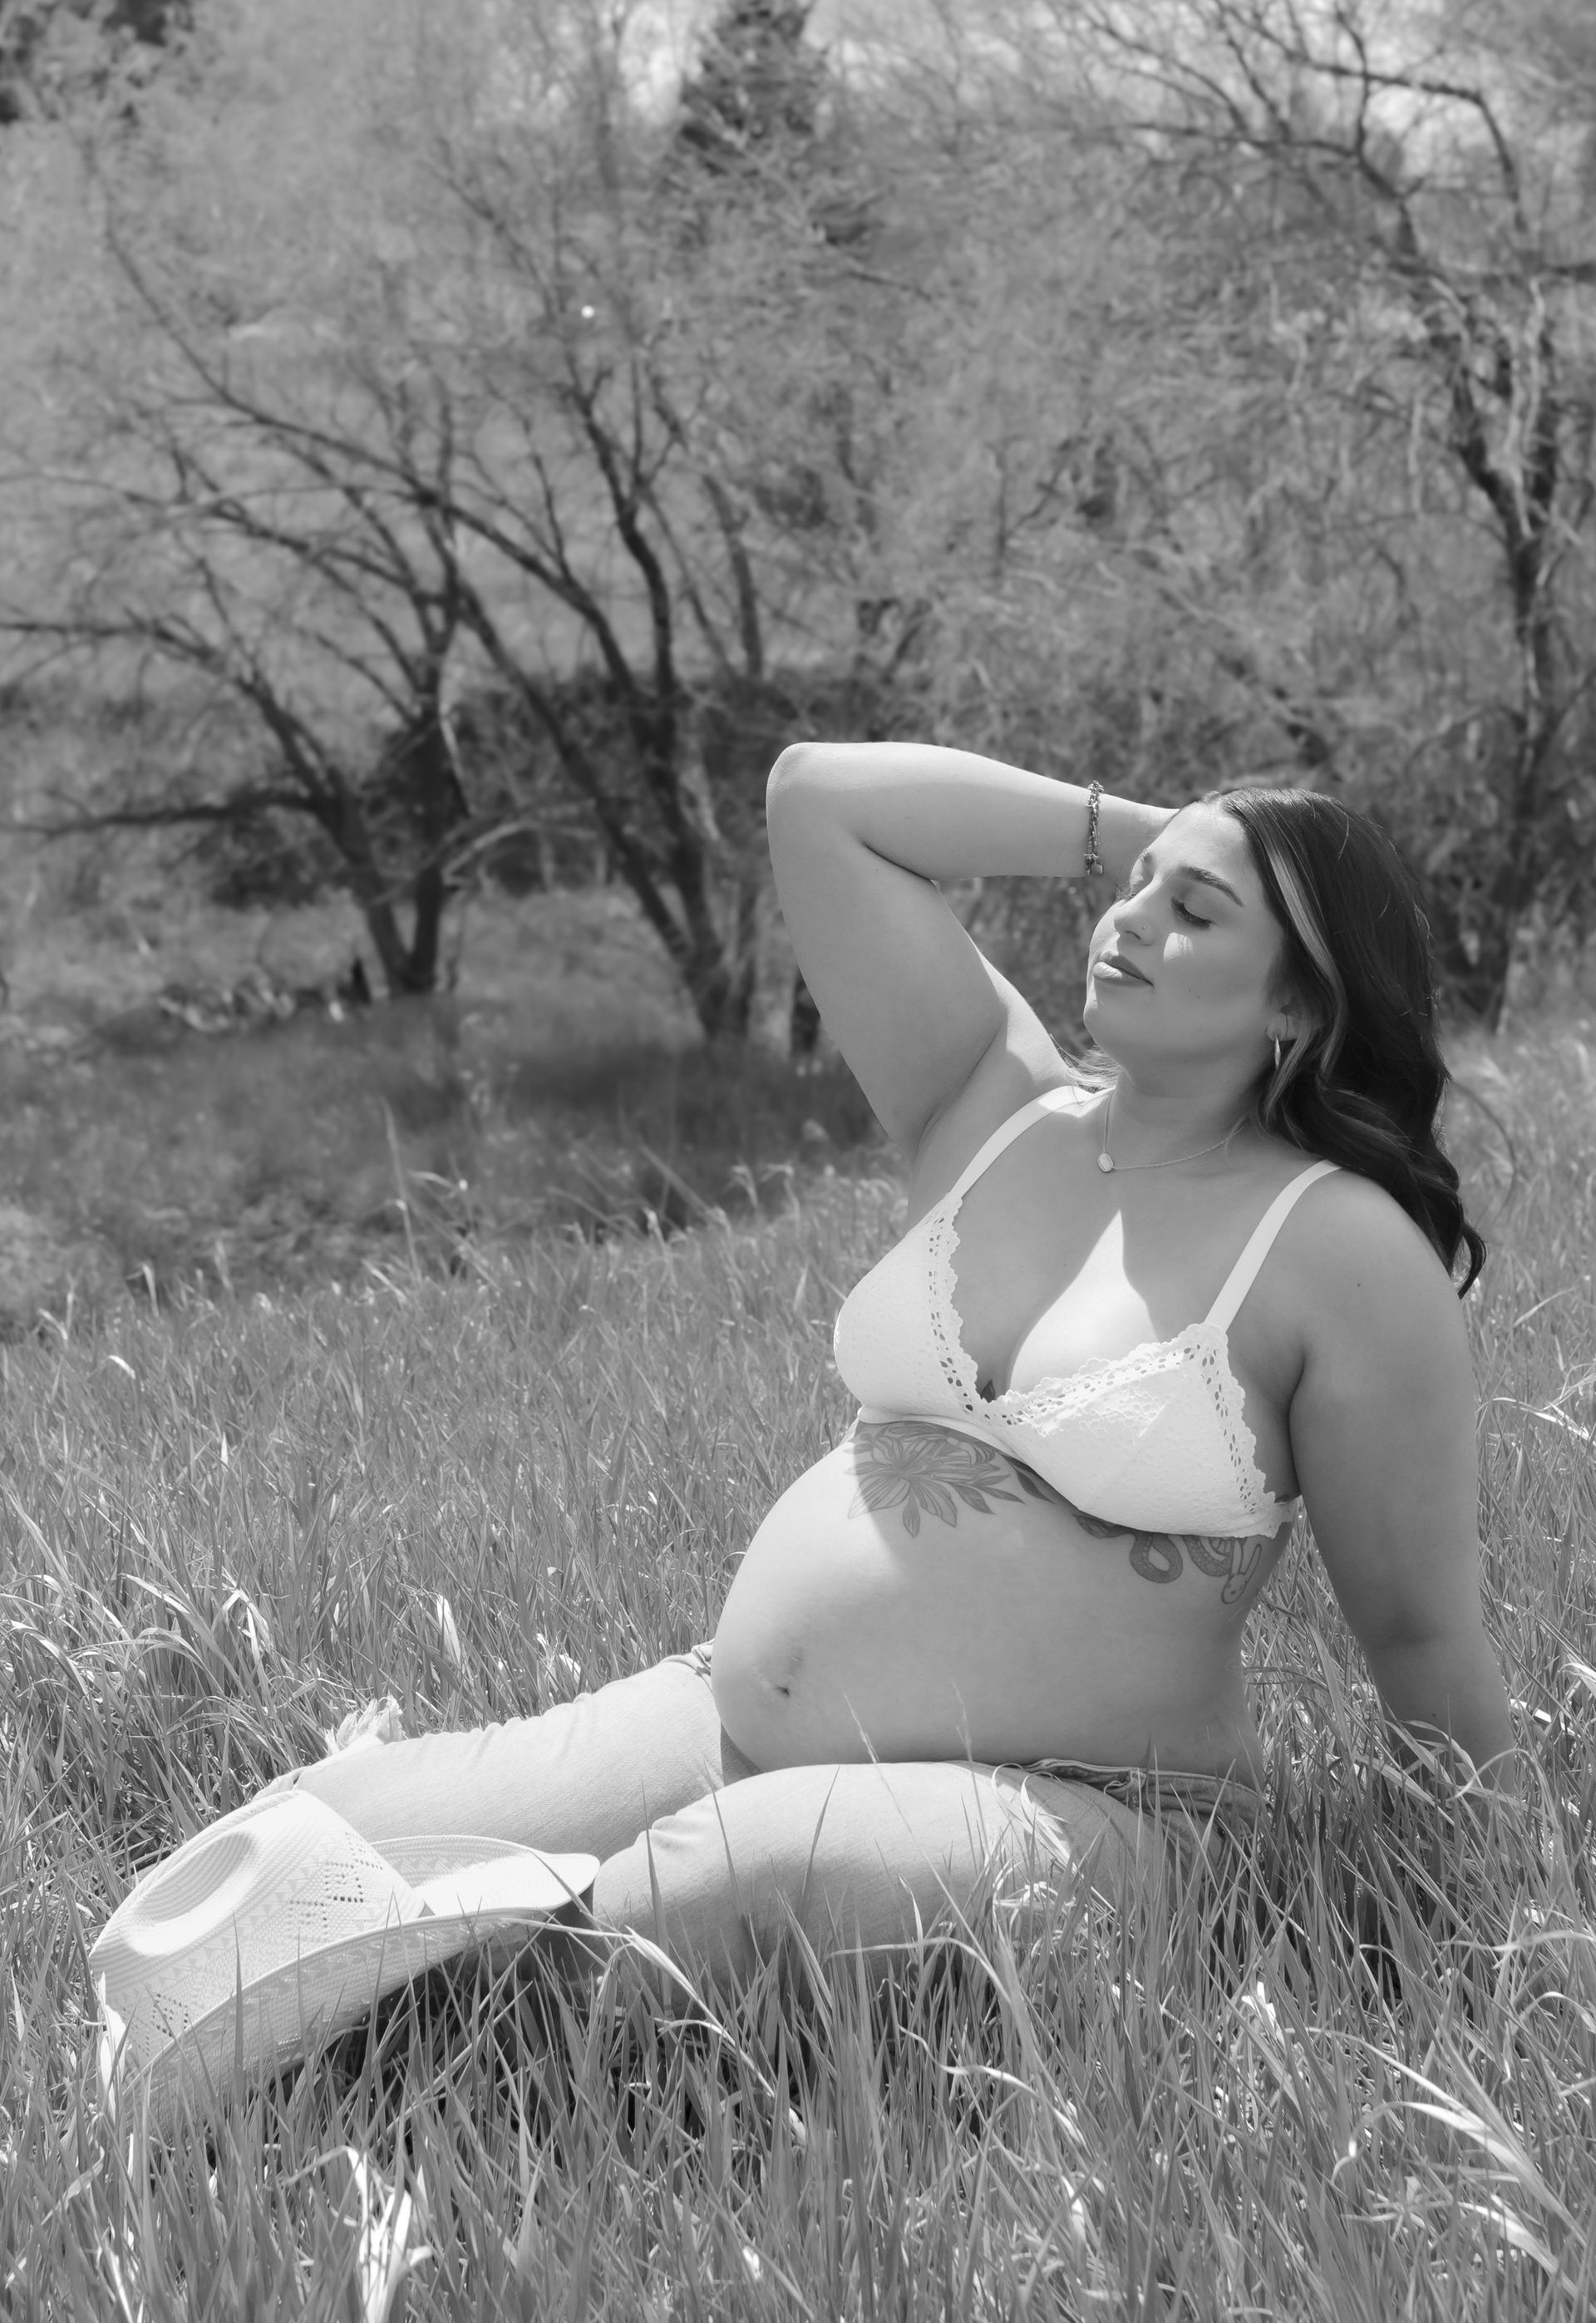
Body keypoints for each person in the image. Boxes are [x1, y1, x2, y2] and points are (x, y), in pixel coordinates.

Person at [278, 744, 1515, 1983]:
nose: (1130, 919)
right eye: (1132, 884)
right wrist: (1185, 827)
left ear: (1297, 1004)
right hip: (738, 1725)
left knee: (701, 1890)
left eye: (1193, 910)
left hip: (1095, 1812)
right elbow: (819, 797)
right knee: (320, 1848)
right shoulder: (996, 1102)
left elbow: (1418, 1634)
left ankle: (462, 2049)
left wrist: (1466, 1934)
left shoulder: (1337, 1246)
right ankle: (386, 1999)